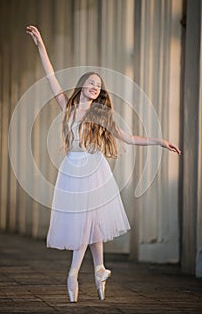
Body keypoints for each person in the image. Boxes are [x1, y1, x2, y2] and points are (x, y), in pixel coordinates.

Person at [26, 25, 182, 303]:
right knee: (88, 223)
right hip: (73, 169)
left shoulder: (103, 114)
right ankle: (87, 270)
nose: (95, 87)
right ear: (82, 85)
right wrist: (41, 45)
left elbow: (128, 138)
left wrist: (159, 141)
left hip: (96, 169)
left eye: (99, 85)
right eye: (91, 83)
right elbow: (50, 75)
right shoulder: (67, 107)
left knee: (93, 222)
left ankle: (86, 271)